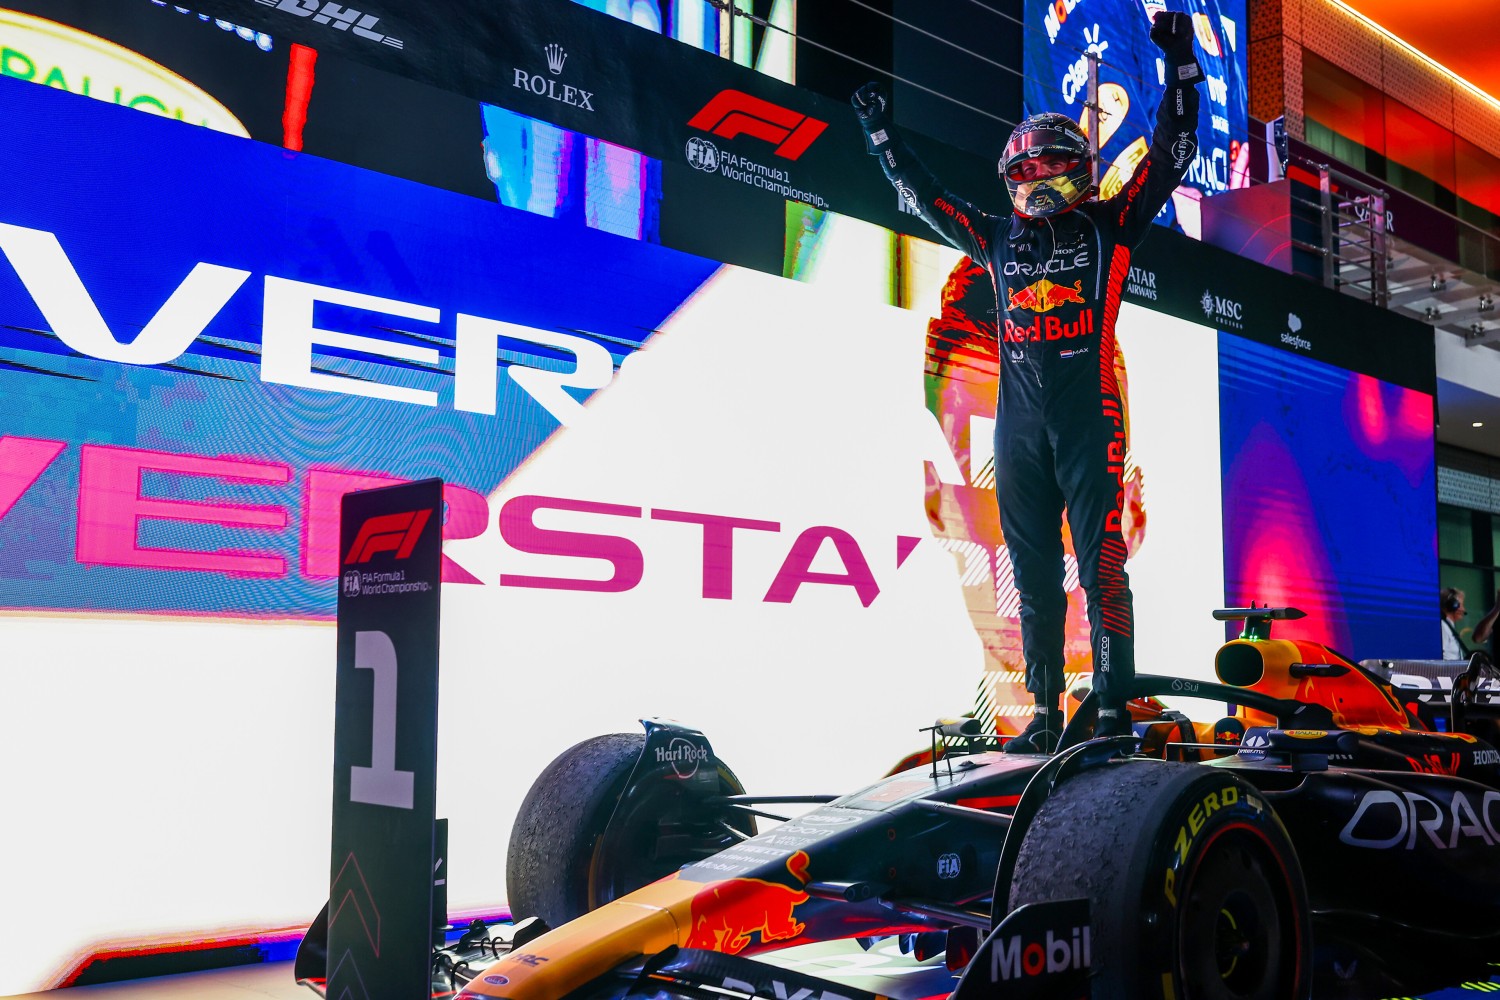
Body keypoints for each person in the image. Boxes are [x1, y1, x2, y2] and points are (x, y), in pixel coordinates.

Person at [852, 10, 1204, 752]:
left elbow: (1173, 150)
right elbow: (924, 197)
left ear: (1077, 165)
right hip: (1018, 429)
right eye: (1026, 169)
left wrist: (1179, 61)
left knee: (1102, 562)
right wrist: (882, 137)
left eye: (1051, 165)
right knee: (1032, 567)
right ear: (1011, 179)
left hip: (1089, 417)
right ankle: (1043, 714)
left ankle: (1110, 711)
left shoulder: (1110, 224)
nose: (1039, 177)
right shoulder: (992, 237)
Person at [1443, 587, 1500, 659]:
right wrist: (1497, 608)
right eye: (1461, 605)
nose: (1464, 609)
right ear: (1452, 605)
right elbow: (1478, 638)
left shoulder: (1449, 625)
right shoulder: (1442, 627)